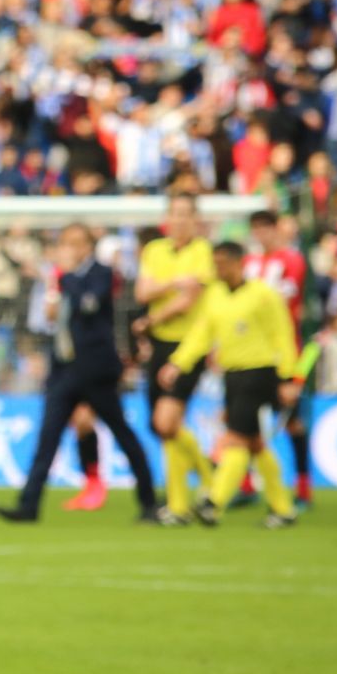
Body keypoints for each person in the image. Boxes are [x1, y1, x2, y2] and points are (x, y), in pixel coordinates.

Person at [0, 224, 159, 523]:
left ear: (88, 246)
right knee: (47, 439)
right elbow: (47, 320)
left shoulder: (101, 273)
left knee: (123, 435)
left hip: (96, 371)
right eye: (65, 243)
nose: (69, 249)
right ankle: (28, 505)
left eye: (75, 243)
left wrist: (62, 277)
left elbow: (89, 304)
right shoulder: (57, 279)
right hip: (64, 370)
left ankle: (149, 501)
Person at [159, 242, 301, 528]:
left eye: (223, 263)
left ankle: (214, 501)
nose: (218, 269)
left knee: (236, 438)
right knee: (255, 444)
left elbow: (283, 335)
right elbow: (202, 334)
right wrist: (178, 362)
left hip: (260, 372)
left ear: (238, 263)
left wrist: (289, 377)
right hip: (232, 374)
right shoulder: (215, 295)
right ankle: (283, 509)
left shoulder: (263, 295)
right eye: (216, 263)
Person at [134, 193, 216, 524]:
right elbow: (142, 292)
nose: (180, 220)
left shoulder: (202, 252)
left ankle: (186, 497)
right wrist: (172, 283)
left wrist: (152, 317)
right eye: (175, 213)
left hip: (189, 344)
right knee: (163, 426)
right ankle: (199, 485)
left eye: (186, 213)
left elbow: (189, 299)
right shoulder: (155, 250)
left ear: (195, 219)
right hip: (159, 346)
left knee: (166, 421)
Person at [245, 209, 314, 507]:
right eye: (256, 229)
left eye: (265, 228)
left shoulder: (291, 260)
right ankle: (246, 485)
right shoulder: (248, 263)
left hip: (285, 353)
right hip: (249, 354)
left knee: (292, 422)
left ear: (276, 229)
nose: (261, 234)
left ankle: (303, 487)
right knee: (242, 419)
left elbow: (284, 301)